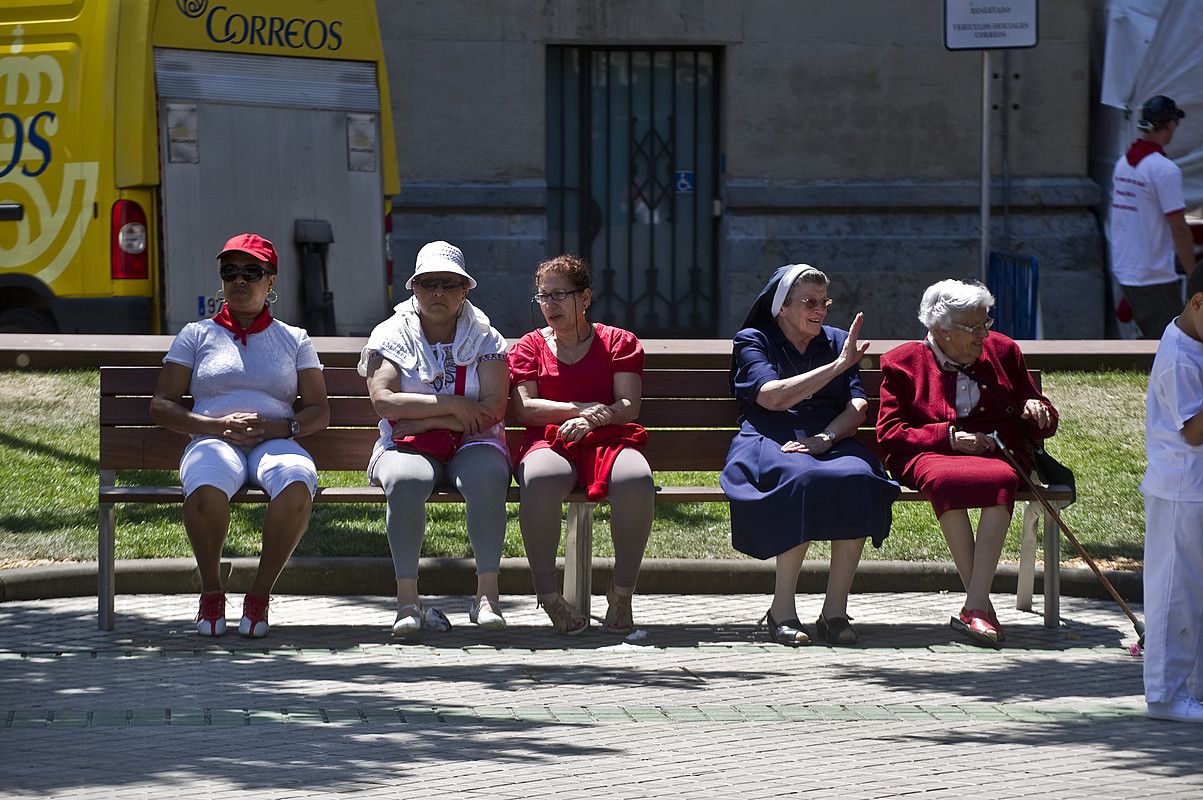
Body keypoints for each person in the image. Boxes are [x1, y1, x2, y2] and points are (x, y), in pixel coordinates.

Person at [150, 233, 329, 639]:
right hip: (212, 438)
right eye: (230, 272)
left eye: (252, 272)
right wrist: (216, 426)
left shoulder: (294, 338)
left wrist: (278, 428)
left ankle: (259, 594)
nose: (240, 280)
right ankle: (212, 591)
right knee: (206, 486)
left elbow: (320, 409)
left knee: (297, 483)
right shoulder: (196, 335)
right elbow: (161, 404)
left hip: (276, 440)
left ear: (271, 282)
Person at [720, 265, 899, 646]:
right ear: (781, 307)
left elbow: (857, 405)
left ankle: (834, 612)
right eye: (809, 302)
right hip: (770, 436)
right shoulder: (754, 340)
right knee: (800, 479)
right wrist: (836, 367)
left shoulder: (836, 339)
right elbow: (772, 396)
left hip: (828, 437)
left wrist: (827, 436)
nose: (819, 310)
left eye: (824, 302)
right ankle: (781, 610)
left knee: (859, 479)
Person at [877, 279, 1058, 648]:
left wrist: (1036, 411)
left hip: (995, 452)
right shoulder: (903, 362)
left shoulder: (1003, 351)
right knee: (945, 480)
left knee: (1002, 479)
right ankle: (979, 606)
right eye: (973, 328)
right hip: (930, 453)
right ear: (940, 330)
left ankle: (975, 606)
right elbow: (890, 432)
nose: (983, 335)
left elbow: (1042, 416)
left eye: (985, 324)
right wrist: (947, 438)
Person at [360, 241, 511, 637]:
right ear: (414, 288)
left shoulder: (486, 337)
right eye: (428, 283)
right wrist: (452, 404)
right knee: (406, 481)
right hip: (407, 446)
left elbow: (493, 409)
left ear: (465, 290)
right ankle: (408, 602)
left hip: (473, 440)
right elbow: (385, 401)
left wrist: (427, 421)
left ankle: (487, 598)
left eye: (449, 283)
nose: (438, 292)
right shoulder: (390, 334)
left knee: (488, 477)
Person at [508, 254, 654, 635]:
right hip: (550, 441)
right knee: (538, 479)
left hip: (607, 438)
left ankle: (622, 592)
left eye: (560, 295)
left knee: (636, 479)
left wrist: (593, 418)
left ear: (585, 297)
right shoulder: (528, 347)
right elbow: (525, 408)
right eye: (543, 297)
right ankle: (549, 596)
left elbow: (628, 405)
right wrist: (577, 409)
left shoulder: (619, 342)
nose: (550, 305)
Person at [1141, 265, 1203, 723]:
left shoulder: (1194, 340)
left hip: (1194, 489)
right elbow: (1195, 431)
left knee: (1194, 593)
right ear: (1198, 303)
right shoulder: (1180, 356)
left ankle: (1193, 688)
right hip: (1180, 489)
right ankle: (1165, 696)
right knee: (1174, 593)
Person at [1109, 94, 1196, 339]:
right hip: (1153, 275)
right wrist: (1194, 277)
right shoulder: (1164, 169)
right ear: (1170, 126)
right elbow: (1178, 228)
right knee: (1172, 342)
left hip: (1128, 268)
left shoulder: (1123, 163)